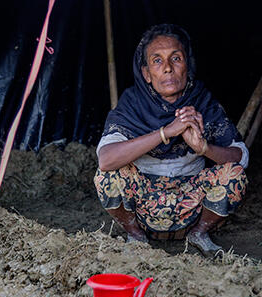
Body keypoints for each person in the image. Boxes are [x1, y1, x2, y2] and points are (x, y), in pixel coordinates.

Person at [94, 24, 248, 257]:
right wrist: (167, 132)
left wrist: (203, 147)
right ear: (146, 73)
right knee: (107, 177)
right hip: (143, 203)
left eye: (176, 58)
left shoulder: (202, 102)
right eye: (157, 61)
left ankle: (199, 233)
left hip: (192, 203)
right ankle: (135, 235)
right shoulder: (132, 104)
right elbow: (105, 160)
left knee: (235, 175)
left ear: (188, 65)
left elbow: (240, 157)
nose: (167, 68)